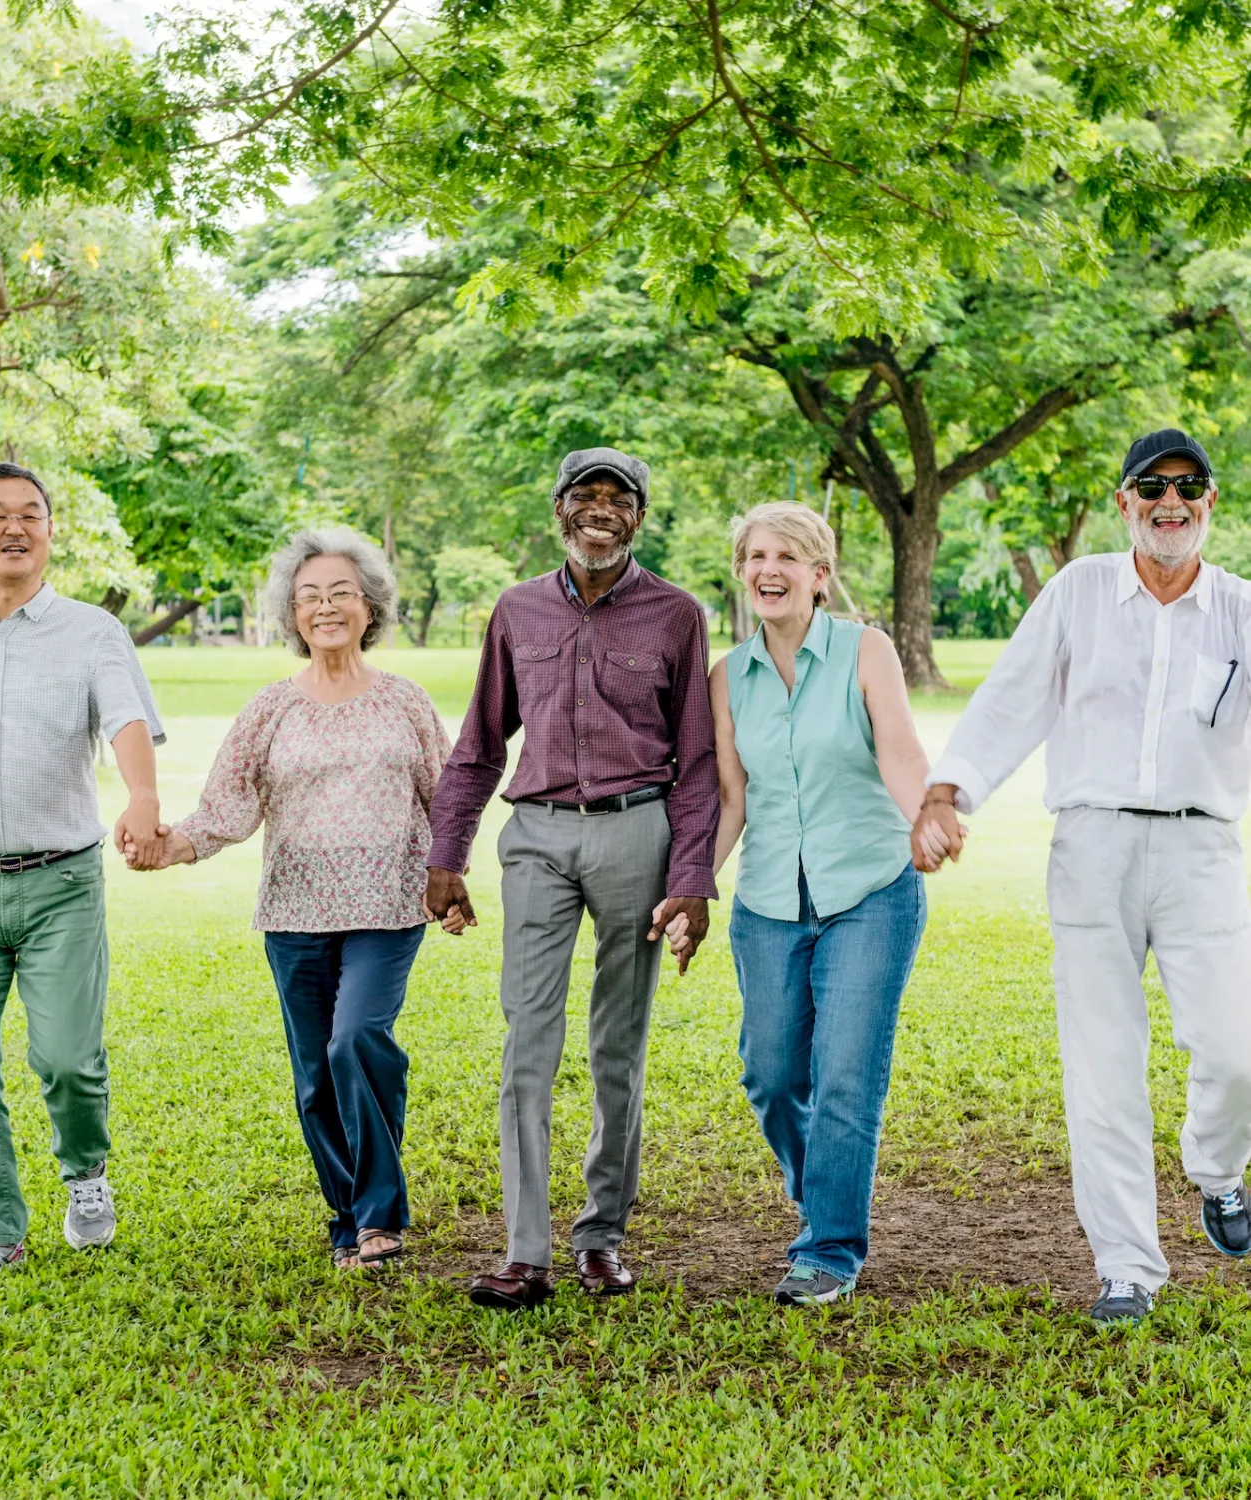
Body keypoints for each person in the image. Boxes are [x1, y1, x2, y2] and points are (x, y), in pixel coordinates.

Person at [913, 428, 1251, 1328]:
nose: (1170, 502)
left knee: (1234, 1050)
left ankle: (1217, 1172)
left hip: (1203, 851)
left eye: (1189, 486)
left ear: (1211, 502)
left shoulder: (1242, 610)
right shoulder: (1079, 592)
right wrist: (949, 793)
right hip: (1092, 847)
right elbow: (1012, 697)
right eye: (1152, 487)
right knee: (1103, 1069)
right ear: (1125, 502)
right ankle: (1128, 1269)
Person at [425, 447, 719, 1310]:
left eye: (617, 498)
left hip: (638, 834)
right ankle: (527, 1252)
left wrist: (693, 877)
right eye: (583, 495)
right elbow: (480, 743)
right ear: (558, 510)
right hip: (540, 838)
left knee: (616, 1046)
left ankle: (601, 1236)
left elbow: (697, 760)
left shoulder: (676, 615)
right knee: (529, 1041)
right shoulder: (516, 610)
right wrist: (447, 856)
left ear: (639, 516)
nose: (599, 508)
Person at [125, 529, 449, 1272]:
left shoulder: (406, 702)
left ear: (370, 607)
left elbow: (447, 798)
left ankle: (378, 1214)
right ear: (291, 615)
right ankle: (351, 1217)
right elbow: (227, 806)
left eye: (341, 593)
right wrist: (168, 845)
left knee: (357, 1042)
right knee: (314, 1074)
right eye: (310, 596)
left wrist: (450, 878)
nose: (326, 607)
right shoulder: (270, 709)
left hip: (387, 908)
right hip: (293, 913)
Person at [665, 502, 934, 1306]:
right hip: (771, 901)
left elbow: (899, 751)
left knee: (846, 1078)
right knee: (772, 1076)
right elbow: (732, 799)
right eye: (754, 556)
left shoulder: (865, 650)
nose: (768, 570)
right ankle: (826, 1192)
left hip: (870, 892)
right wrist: (691, 885)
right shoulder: (728, 675)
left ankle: (829, 1249)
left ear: (820, 574)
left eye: (787, 557)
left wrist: (929, 815)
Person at [0, 461, 166, 1286]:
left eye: (30, 514)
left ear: (49, 533)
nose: (14, 527)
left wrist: (143, 797)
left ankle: (85, 1176)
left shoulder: (90, 632)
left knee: (69, 1057)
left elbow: (126, 720)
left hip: (61, 885)